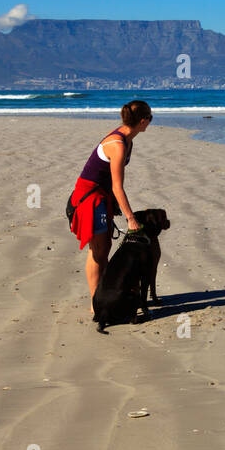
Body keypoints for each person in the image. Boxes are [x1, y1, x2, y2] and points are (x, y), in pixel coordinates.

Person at [70, 100, 152, 312]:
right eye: (150, 118)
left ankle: (105, 296)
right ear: (143, 121)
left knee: (105, 246)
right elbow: (118, 187)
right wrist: (131, 219)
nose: (150, 122)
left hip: (102, 195)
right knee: (98, 250)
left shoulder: (126, 138)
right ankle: (95, 303)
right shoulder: (118, 144)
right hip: (89, 197)